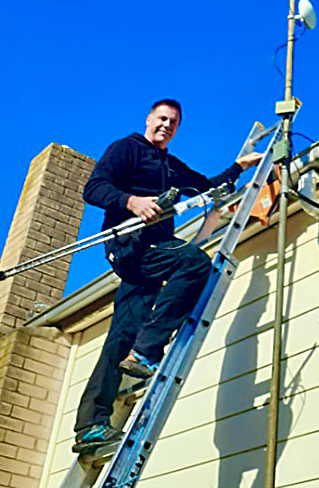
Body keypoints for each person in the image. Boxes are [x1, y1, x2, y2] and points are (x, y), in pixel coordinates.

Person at [73, 99, 261, 453]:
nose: (166, 126)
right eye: (162, 119)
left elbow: (206, 189)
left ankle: (90, 426)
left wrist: (239, 166)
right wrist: (132, 202)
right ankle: (146, 351)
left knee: (121, 336)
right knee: (194, 263)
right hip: (130, 246)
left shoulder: (172, 166)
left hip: (152, 256)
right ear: (149, 119)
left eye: (173, 123)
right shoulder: (126, 149)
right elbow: (94, 188)